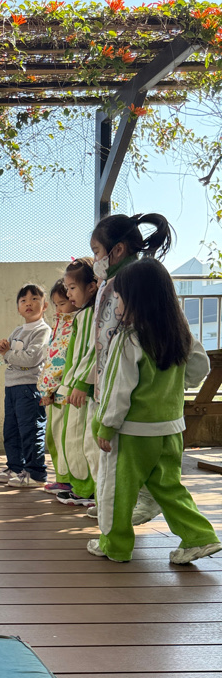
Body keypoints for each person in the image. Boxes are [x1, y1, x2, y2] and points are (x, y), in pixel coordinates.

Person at [88, 257, 220, 564]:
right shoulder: (180, 334)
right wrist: (173, 387)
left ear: (137, 300)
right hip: (171, 430)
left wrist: (106, 425)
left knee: (116, 491)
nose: (118, 305)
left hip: (132, 434)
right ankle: (200, 536)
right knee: (169, 487)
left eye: (120, 298)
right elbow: (200, 367)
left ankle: (115, 545)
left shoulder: (129, 338)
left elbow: (117, 389)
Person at [89, 212, 173, 524]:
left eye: (97, 251)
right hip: (116, 385)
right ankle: (112, 507)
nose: (95, 259)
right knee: (117, 458)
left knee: (121, 459)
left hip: (130, 390)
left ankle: (119, 518)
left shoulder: (131, 281)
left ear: (118, 249)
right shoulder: (114, 282)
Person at [52, 258, 100, 509]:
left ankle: (87, 490)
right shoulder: (81, 315)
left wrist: (82, 383)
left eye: (72, 288)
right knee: (69, 438)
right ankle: (79, 487)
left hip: (82, 390)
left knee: (82, 441)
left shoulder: (92, 314)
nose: (68, 294)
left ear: (91, 287)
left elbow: (93, 352)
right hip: (72, 386)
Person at [0, 284, 51, 487]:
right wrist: (2, 349)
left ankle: (36, 473)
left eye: (34, 299)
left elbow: (31, 358)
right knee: (11, 430)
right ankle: (16, 467)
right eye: (23, 300)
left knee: (31, 430)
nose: (29, 303)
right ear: (18, 308)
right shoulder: (18, 330)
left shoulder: (43, 330)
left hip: (30, 387)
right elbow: (3, 356)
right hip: (11, 387)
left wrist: (7, 353)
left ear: (44, 305)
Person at [38, 278, 76, 495]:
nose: (58, 309)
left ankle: (69, 479)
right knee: (54, 436)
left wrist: (49, 388)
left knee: (65, 438)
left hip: (63, 390)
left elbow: (61, 359)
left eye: (62, 303)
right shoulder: (61, 322)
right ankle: (62, 478)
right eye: (56, 304)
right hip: (54, 390)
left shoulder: (74, 323)